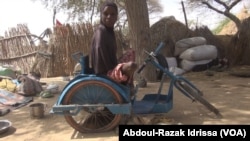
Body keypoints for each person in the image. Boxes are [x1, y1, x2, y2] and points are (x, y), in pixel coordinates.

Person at [90, 1, 137, 89]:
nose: (109, 17)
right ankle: (127, 84)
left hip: (111, 67)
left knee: (131, 53)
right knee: (131, 66)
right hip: (105, 74)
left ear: (116, 17)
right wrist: (114, 68)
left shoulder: (109, 31)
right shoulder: (101, 32)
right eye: (106, 14)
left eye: (112, 14)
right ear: (101, 15)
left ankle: (129, 83)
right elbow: (101, 54)